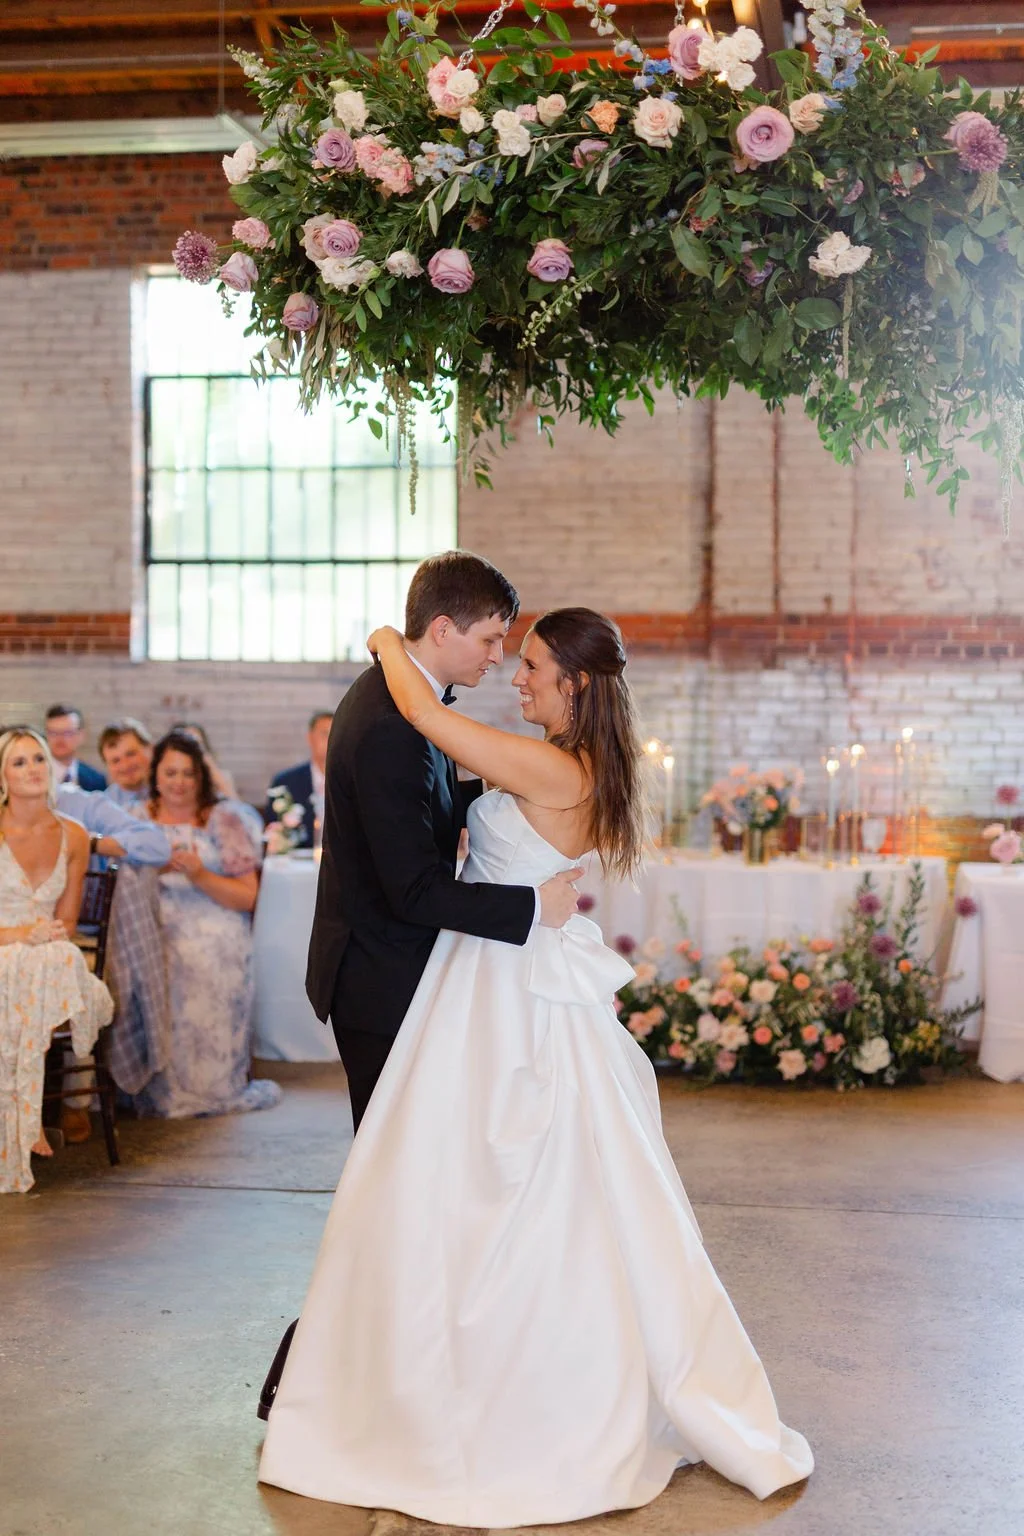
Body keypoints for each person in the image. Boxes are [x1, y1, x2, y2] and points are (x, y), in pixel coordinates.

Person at [258, 606, 813, 1521]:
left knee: (490, 1180)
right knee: (481, 1180)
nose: (517, 680)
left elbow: (432, 720)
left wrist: (386, 644)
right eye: (513, 662)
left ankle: (492, 1391)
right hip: (488, 973)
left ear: (577, 687)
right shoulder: (570, 761)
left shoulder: (557, 767)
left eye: (534, 668)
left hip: (506, 990)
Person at [135, 731, 281, 1119]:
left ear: (201, 776)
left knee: (208, 953)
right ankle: (158, 1084)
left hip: (215, 920)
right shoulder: (138, 818)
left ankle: (213, 1084)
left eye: (187, 773)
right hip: (151, 925)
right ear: (156, 775)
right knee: (155, 955)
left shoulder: (224, 818)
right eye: (170, 773)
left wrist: (199, 874)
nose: (178, 782)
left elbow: (247, 896)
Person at [0, 727, 113, 1193]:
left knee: (56, 959)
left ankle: (24, 1121)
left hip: (46, 955)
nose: (32, 770)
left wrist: (41, 936)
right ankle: (25, 1122)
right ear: (3, 775)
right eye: (20, 761)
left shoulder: (74, 834)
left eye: (39, 759)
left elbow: (66, 921)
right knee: (28, 964)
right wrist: (21, 935)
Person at [264, 711, 333, 848]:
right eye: (325, 734)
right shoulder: (285, 782)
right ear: (310, 738)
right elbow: (275, 829)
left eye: (336, 735)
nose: (331, 740)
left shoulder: (352, 781)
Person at [169, 722, 238, 800]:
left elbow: (236, 805)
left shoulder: (221, 777)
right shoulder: (164, 778)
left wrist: (211, 767)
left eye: (196, 744)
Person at [44, 704, 106, 790]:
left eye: (67, 733)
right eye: (53, 733)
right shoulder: (34, 776)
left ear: (81, 735)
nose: (60, 739)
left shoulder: (96, 780)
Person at [98, 718, 153, 808]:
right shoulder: (102, 808)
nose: (125, 765)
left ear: (149, 749)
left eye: (130, 754)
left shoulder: (174, 793)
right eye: (115, 761)